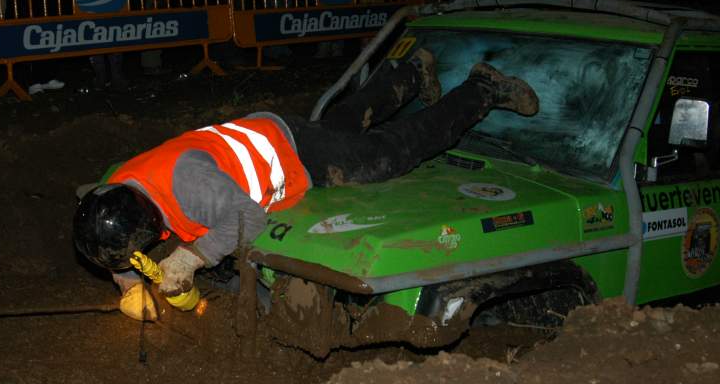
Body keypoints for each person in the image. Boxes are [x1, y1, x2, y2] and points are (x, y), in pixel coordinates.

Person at [73, 49, 540, 321]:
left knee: (388, 155)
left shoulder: (188, 184)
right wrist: (127, 283)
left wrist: (189, 257)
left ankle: (481, 88)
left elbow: (248, 217)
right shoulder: (116, 189)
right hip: (267, 131)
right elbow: (111, 242)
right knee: (343, 126)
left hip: (291, 154)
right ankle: (411, 72)